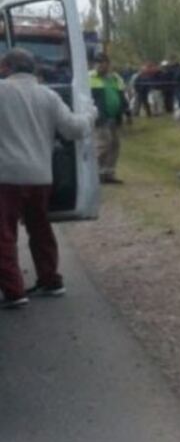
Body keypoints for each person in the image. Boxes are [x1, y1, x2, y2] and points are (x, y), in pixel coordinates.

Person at [0, 49, 96, 308]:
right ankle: (50, 280)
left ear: (6, 67)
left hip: (6, 177)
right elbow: (74, 129)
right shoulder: (49, 96)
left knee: (4, 235)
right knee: (40, 229)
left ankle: (13, 291)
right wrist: (90, 113)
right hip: (41, 176)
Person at [90, 52, 129, 184]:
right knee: (103, 145)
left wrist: (126, 111)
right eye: (98, 62)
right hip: (100, 117)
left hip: (114, 117)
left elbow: (122, 95)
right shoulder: (89, 78)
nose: (101, 65)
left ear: (108, 64)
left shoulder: (115, 78)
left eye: (103, 62)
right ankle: (94, 174)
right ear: (94, 64)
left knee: (115, 145)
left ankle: (108, 173)